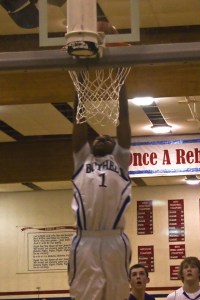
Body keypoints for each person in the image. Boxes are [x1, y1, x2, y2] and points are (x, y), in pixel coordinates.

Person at [68, 81, 132, 300]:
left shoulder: (121, 160)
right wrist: (81, 88)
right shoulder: (82, 159)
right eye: (98, 137)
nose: (102, 137)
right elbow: (79, 122)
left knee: (118, 294)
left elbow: (123, 120)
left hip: (115, 239)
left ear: (116, 147)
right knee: (84, 295)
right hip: (85, 239)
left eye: (108, 138)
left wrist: (121, 85)